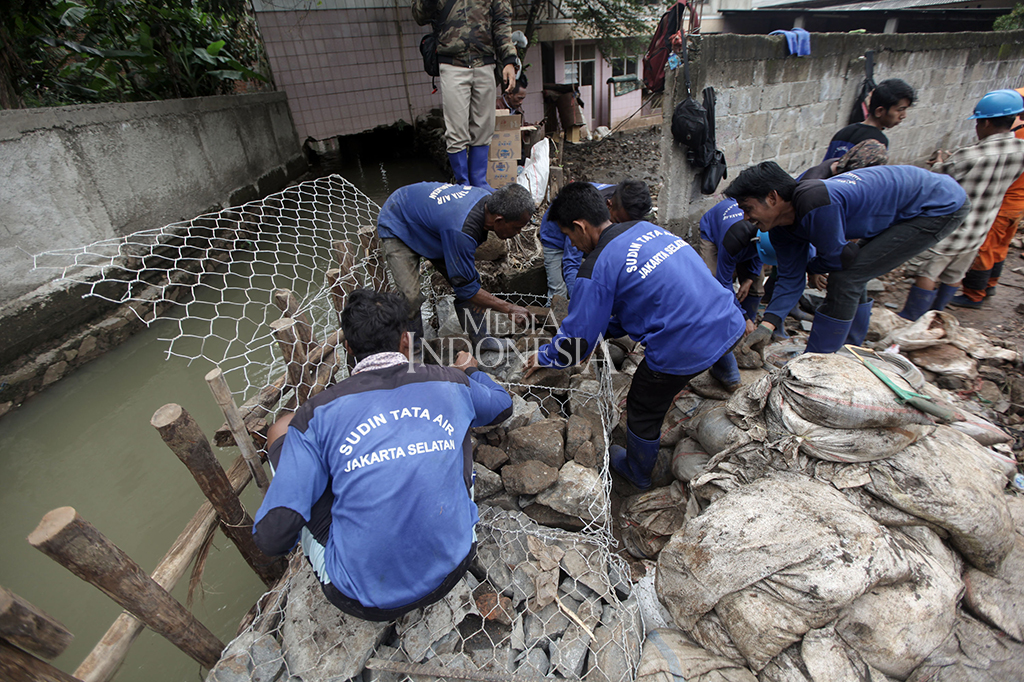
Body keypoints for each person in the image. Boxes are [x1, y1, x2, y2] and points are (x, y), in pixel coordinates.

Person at [253, 288, 513, 620]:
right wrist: (470, 369)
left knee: (281, 430)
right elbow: (502, 405)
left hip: (362, 600)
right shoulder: (451, 381)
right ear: (406, 340)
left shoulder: (316, 414)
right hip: (455, 564)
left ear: (348, 348)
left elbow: (272, 538)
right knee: (459, 425)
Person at [524, 182, 746, 490]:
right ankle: (729, 377)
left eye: (568, 235)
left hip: (683, 347)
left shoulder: (596, 265)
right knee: (707, 328)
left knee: (643, 404)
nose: (572, 245)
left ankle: (637, 472)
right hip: (729, 321)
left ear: (579, 226)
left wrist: (546, 355)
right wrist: (605, 329)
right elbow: (645, 300)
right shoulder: (648, 230)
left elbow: (577, 345)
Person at [725, 162, 968, 357]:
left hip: (937, 205)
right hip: (903, 207)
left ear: (773, 197)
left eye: (748, 208)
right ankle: (854, 348)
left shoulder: (814, 202)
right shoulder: (780, 228)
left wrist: (813, 266)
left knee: (847, 277)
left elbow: (841, 258)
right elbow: (790, 278)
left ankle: (821, 361)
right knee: (855, 271)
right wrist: (767, 325)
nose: (746, 217)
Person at [895, 89, 1024, 316]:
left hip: (950, 227)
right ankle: (937, 318)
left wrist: (939, 162)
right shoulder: (1020, 150)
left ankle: (912, 318)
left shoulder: (970, 156)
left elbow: (938, 180)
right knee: (955, 274)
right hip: (981, 227)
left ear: (984, 123)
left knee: (928, 272)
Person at [377, 182, 535, 350]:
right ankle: (414, 351)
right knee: (411, 297)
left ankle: (482, 341)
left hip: (432, 224)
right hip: (399, 220)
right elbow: (467, 291)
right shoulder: (461, 229)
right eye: (517, 228)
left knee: (470, 280)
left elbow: (467, 284)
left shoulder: (486, 203)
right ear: (499, 220)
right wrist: (509, 308)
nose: (518, 233)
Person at [413, 0, 518, 189]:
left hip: (485, 62)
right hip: (451, 63)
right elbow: (419, 15)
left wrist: (509, 59)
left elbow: (502, 22)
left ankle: (479, 182)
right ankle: (463, 184)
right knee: (456, 131)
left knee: (483, 127)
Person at [951, 87, 1024, 309]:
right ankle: (990, 284)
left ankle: (974, 294)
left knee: (985, 247)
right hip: (1018, 202)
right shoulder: (1019, 141)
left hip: (1005, 200)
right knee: (1001, 245)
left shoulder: (1016, 136)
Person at [539, 180, 652, 301]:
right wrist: (578, 304)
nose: (619, 229)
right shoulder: (581, 219)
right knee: (558, 292)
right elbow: (571, 263)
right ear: (609, 206)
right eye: (618, 222)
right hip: (554, 238)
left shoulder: (624, 198)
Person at [822, 78, 915, 161]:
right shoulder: (877, 142)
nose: (903, 115)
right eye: (900, 110)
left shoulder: (843, 132)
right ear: (879, 111)